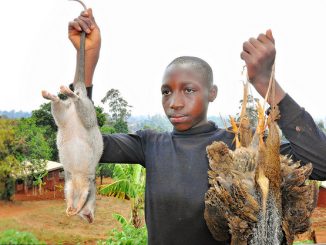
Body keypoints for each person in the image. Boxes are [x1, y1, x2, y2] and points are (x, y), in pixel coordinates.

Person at [68, 8, 326, 245]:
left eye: (189, 90)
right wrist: (86, 61)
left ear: (211, 93)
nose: (175, 103)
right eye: (166, 92)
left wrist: (266, 82)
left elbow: (320, 162)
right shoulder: (149, 145)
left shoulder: (241, 147)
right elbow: (82, 145)